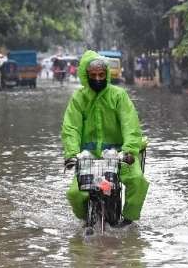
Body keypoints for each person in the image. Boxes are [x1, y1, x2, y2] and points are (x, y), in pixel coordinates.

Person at [61, 51, 149, 229]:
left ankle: (128, 219)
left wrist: (129, 151)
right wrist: (71, 153)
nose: (97, 79)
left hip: (119, 154)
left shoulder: (118, 95)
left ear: (107, 74)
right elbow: (71, 128)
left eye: (101, 75)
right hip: (89, 157)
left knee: (137, 180)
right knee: (75, 194)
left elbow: (130, 125)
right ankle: (86, 219)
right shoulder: (78, 98)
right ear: (86, 75)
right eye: (93, 75)